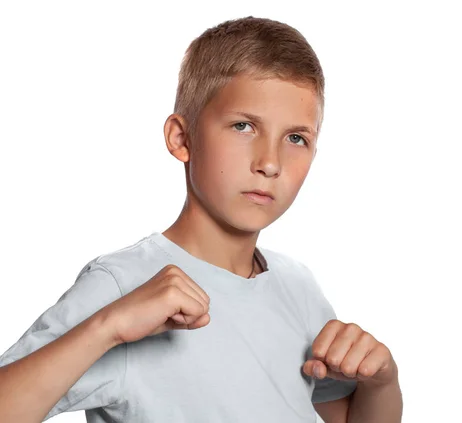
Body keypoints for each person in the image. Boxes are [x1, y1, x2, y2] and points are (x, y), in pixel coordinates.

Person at [0, 16, 402, 423]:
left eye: (296, 138)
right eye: (243, 126)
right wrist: (108, 326)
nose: (269, 162)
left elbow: (342, 417)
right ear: (181, 138)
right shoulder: (122, 284)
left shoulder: (298, 287)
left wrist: (381, 382)